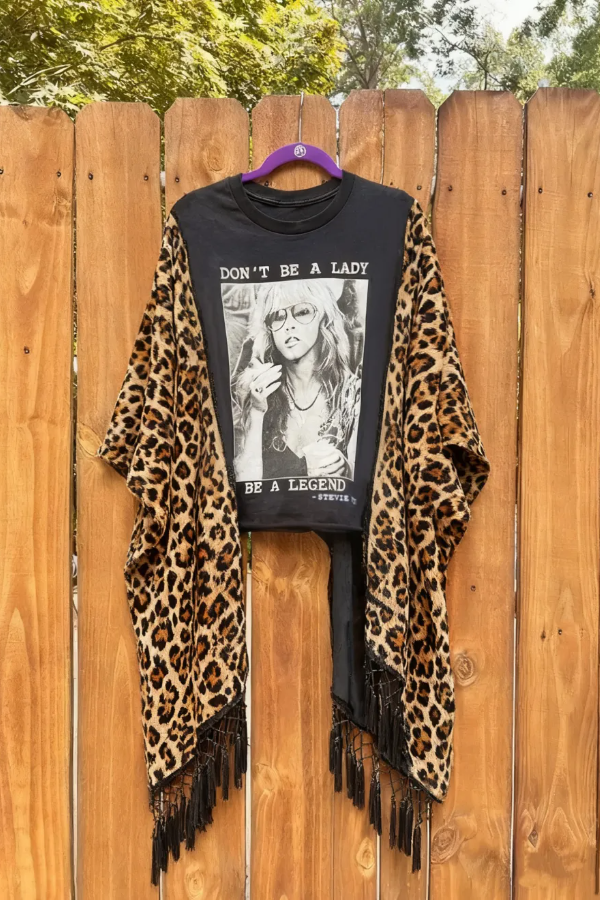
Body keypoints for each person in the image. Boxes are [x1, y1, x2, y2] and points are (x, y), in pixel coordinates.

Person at [231, 279, 362, 482]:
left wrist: (347, 470)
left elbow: (369, 480)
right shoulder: (256, 390)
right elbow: (245, 483)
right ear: (269, 329)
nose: (289, 325)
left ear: (324, 318)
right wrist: (256, 411)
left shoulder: (352, 394)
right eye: (277, 316)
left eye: (302, 312)